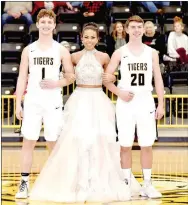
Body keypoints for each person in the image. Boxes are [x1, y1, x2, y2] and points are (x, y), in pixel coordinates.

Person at [29, 22, 141, 203]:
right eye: (86, 37)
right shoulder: (73, 56)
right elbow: (67, 75)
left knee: (102, 138)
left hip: (98, 99)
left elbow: (110, 77)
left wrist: (112, 77)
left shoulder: (105, 57)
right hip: (79, 99)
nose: (89, 40)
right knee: (78, 139)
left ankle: (100, 181)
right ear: (81, 37)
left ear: (98, 39)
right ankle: (78, 183)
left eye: (93, 37)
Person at [15, 9, 75, 199]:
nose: (46, 25)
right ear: (38, 24)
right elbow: (22, 77)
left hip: (53, 101)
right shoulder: (29, 49)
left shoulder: (61, 49)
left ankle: (58, 182)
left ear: (54, 25)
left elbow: (71, 76)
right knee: (28, 142)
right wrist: (18, 103)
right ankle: (24, 183)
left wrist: (57, 83)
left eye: (50, 22)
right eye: (43, 22)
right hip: (33, 100)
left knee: (53, 143)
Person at [103, 15, 164, 199]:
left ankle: (147, 184)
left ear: (144, 29)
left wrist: (160, 103)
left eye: (140, 27)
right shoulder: (119, 52)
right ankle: (126, 185)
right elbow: (106, 78)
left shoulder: (152, 52)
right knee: (125, 145)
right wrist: (118, 92)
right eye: (133, 27)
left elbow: (158, 80)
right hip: (126, 102)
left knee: (147, 144)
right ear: (127, 30)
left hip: (145, 100)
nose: (137, 30)